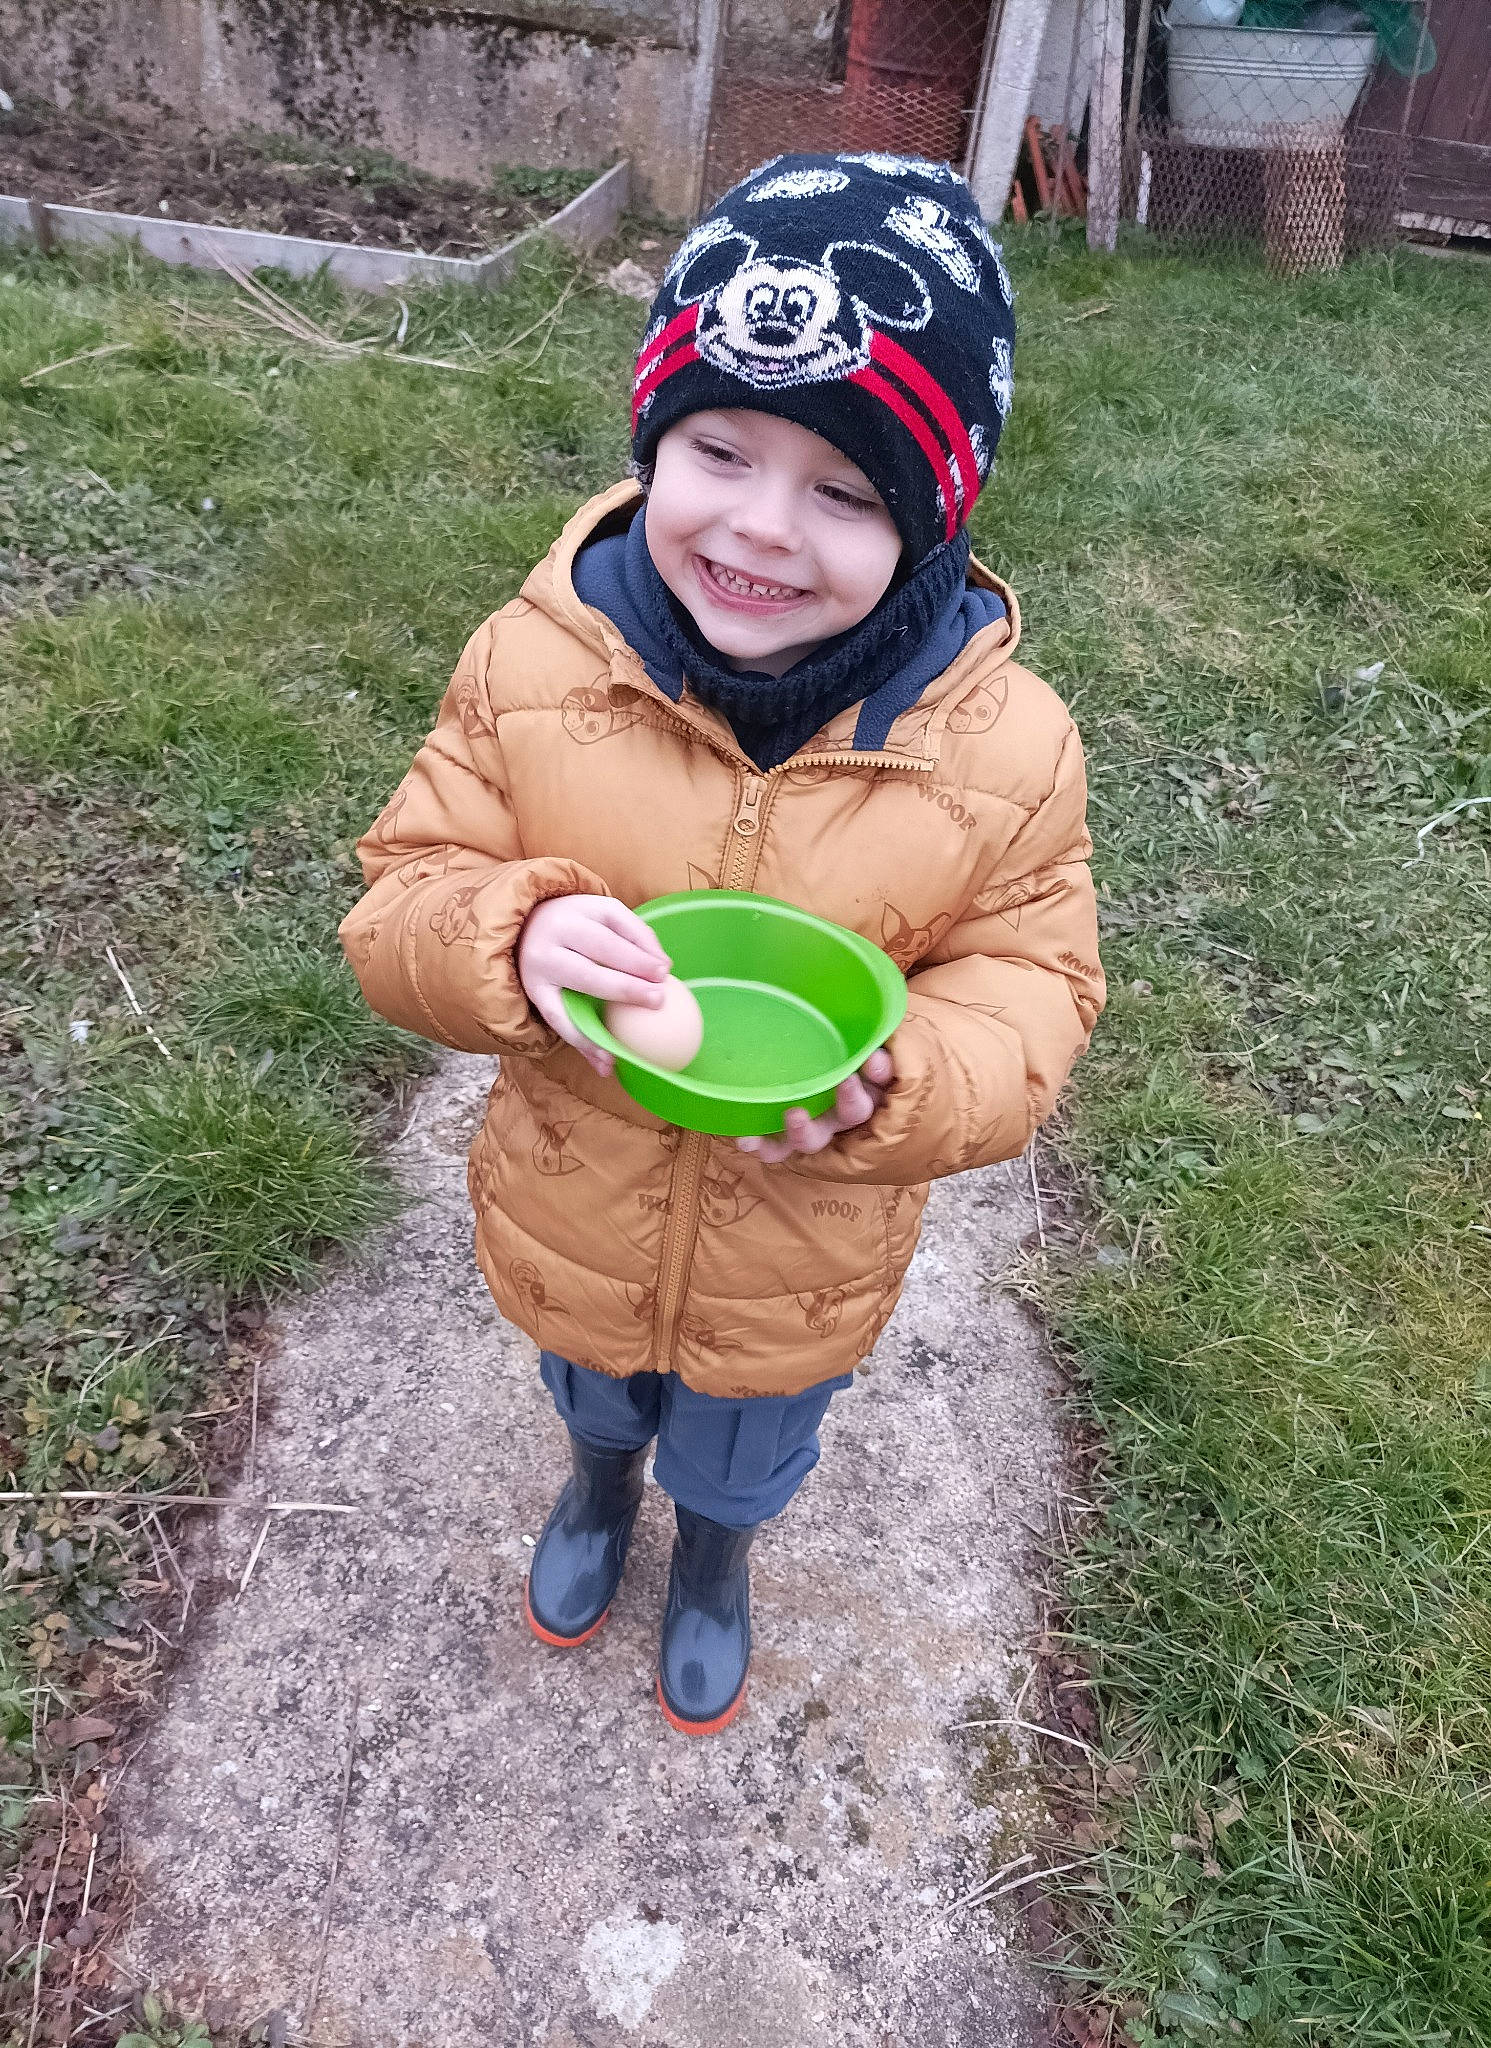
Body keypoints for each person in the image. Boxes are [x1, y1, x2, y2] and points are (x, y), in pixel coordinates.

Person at [340, 152, 1106, 1737]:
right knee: (592, 1386)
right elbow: (403, 891)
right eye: (720, 449)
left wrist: (911, 1077)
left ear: (936, 506)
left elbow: (1034, 982)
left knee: (749, 1441)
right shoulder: (539, 663)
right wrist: (513, 928)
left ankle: (718, 1562)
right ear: (652, 434)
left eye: (844, 490)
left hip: (799, 1243)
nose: (763, 528)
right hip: (579, 1198)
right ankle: (599, 1494)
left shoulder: (1004, 747)